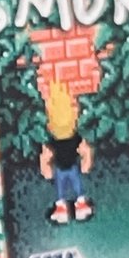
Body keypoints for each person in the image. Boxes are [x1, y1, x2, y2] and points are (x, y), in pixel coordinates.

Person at [39, 78, 95, 224]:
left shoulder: (74, 138)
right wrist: (45, 166)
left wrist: (86, 160)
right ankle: (62, 206)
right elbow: (46, 154)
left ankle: (80, 202)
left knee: (76, 184)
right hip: (61, 168)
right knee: (61, 186)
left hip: (70, 167)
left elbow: (84, 149)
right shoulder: (55, 141)